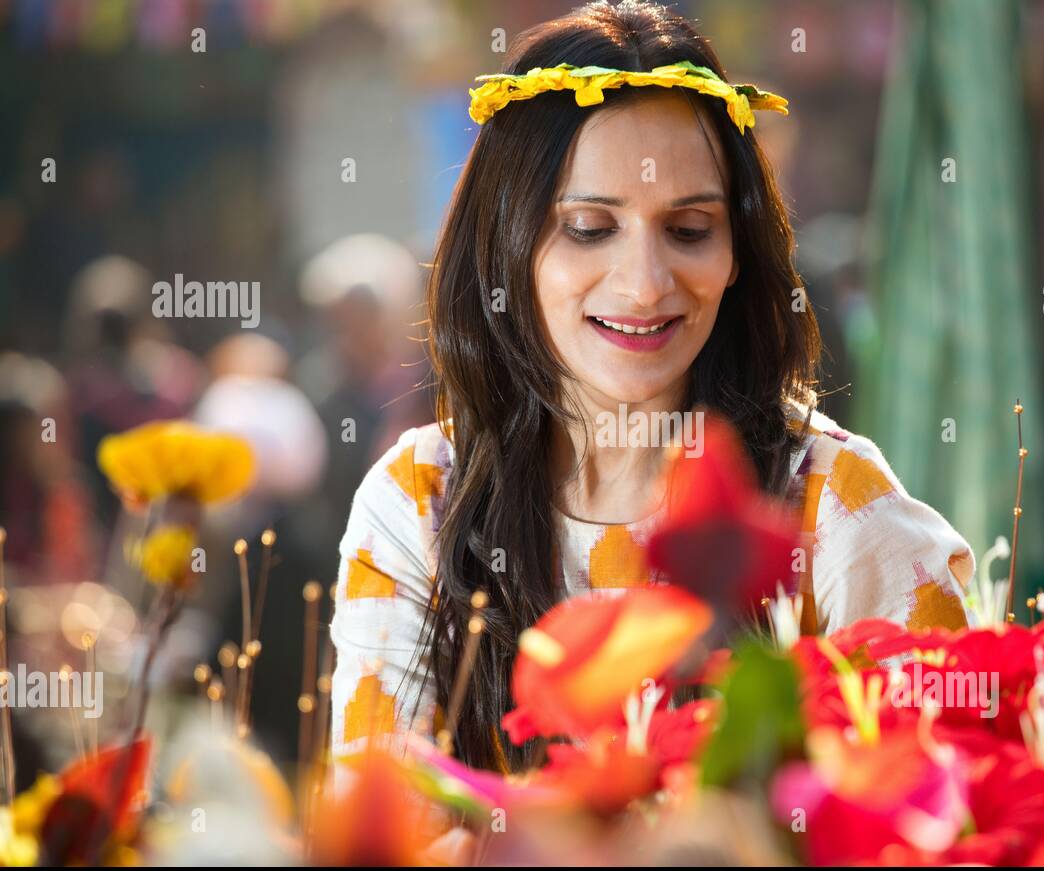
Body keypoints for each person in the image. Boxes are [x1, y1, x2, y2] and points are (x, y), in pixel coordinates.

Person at [329, 0, 975, 774]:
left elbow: (934, 807)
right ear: (507, 249)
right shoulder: (418, 502)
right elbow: (387, 819)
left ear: (737, 255)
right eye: (590, 228)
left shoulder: (834, 505)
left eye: (690, 229)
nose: (644, 285)